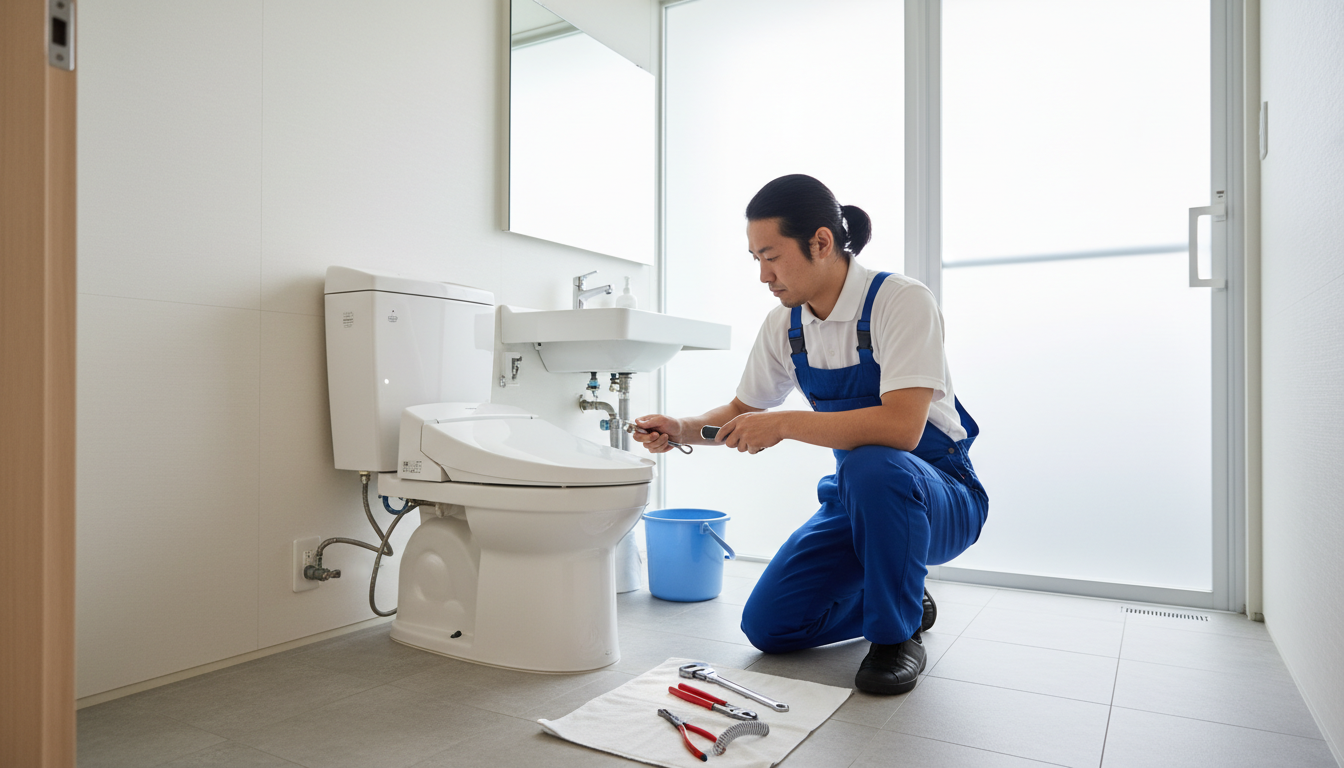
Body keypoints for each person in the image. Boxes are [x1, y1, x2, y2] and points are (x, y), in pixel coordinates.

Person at [632, 174, 988, 695]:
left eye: (771, 256)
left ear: (821, 242)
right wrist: (681, 427)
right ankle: (900, 597)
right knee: (771, 628)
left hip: (941, 495)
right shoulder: (785, 327)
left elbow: (902, 429)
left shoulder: (900, 301)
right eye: (755, 258)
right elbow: (741, 410)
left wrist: (784, 424)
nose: (763, 275)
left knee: (873, 463)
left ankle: (897, 633)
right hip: (858, 500)